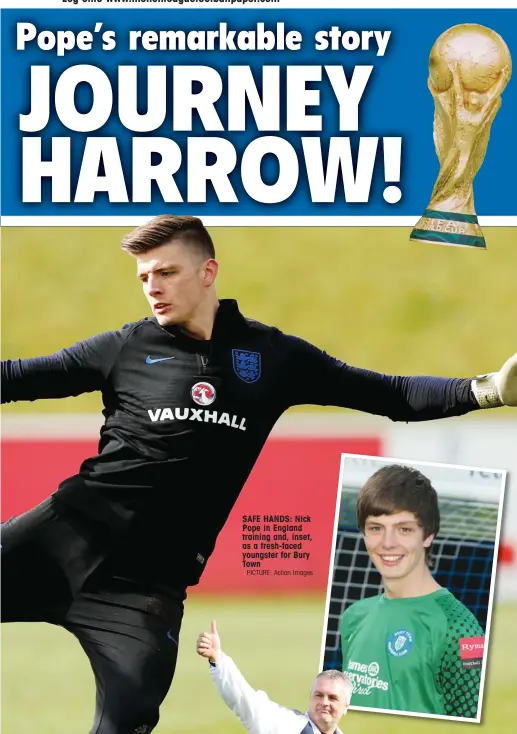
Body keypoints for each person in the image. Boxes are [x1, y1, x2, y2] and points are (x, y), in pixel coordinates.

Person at [1, 214, 515, 733]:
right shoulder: (125, 347)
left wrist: (488, 390)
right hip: (62, 539)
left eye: (166, 272)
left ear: (208, 271)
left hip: (145, 593)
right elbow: (17, 378)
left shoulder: (272, 357)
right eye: (143, 277)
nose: (152, 288)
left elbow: (391, 393)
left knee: (126, 724)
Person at [339, 464, 485, 719]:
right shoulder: (353, 617)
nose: (387, 543)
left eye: (404, 529)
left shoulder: (461, 628)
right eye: (376, 528)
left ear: (428, 535)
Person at [196, 620, 352, 734]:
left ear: (346, 706)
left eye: (332, 698)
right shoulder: (287, 726)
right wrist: (218, 658)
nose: (324, 702)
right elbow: (243, 699)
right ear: (310, 697)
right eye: (319, 695)